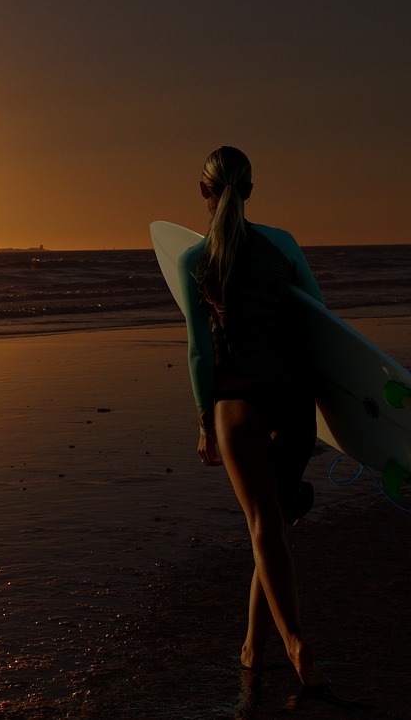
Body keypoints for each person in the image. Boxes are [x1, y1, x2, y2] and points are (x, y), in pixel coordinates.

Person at [177, 146, 328, 689]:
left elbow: (200, 354)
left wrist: (202, 419)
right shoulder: (282, 244)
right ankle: (253, 647)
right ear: (250, 190)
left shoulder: (194, 260)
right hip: (292, 397)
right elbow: (318, 318)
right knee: (273, 528)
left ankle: (292, 640)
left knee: (264, 525)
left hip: (237, 403)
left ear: (204, 190)